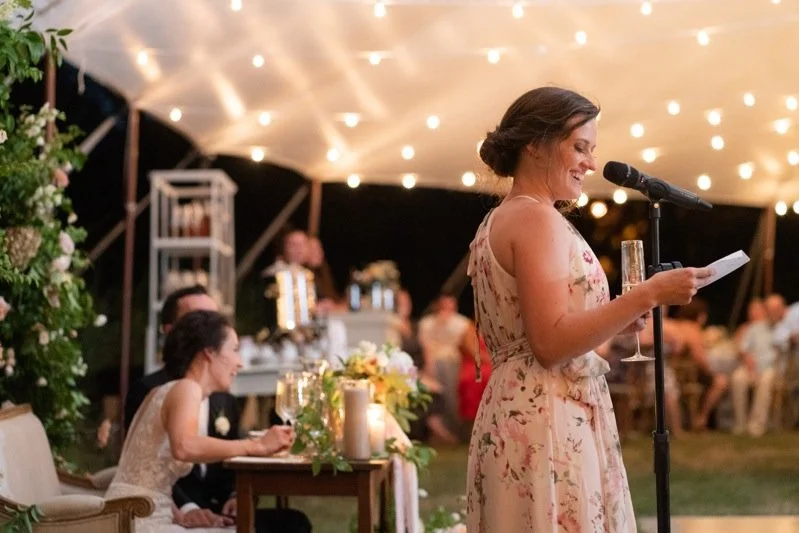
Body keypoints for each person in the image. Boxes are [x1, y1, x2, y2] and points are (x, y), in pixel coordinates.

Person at [465, 86, 711, 532]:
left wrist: (616, 325)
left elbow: (542, 330)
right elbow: (548, 344)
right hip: (546, 417)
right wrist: (646, 295)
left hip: (523, 406)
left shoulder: (503, 217)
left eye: (592, 150)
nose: (591, 163)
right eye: (579, 147)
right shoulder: (535, 218)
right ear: (535, 145)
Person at [106, 310, 297, 532]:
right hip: (136, 521)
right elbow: (184, 446)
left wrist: (179, 516)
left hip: (139, 514)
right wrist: (256, 446)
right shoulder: (186, 388)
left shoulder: (166, 390)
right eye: (234, 350)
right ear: (209, 353)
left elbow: (144, 473)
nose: (240, 363)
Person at [668, 298, 729, 430]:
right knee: (721, 381)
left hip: (673, 373)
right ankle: (702, 417)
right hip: (688, 376)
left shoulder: (675, 325)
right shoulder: (693, 329)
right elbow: (700, 358)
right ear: (700, 315)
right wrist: (711, 371)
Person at [731, 293, 786, 436]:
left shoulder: (787, 329)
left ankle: (757, 425)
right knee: (738, 377)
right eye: (769, 309)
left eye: (776, 309)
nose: (772, 312)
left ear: (782, 310)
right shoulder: (755, 328)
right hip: (752, 367)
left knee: (766, 379)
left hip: (774, 369)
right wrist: (747, 359)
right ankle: (740, 423)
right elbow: (743, 349)